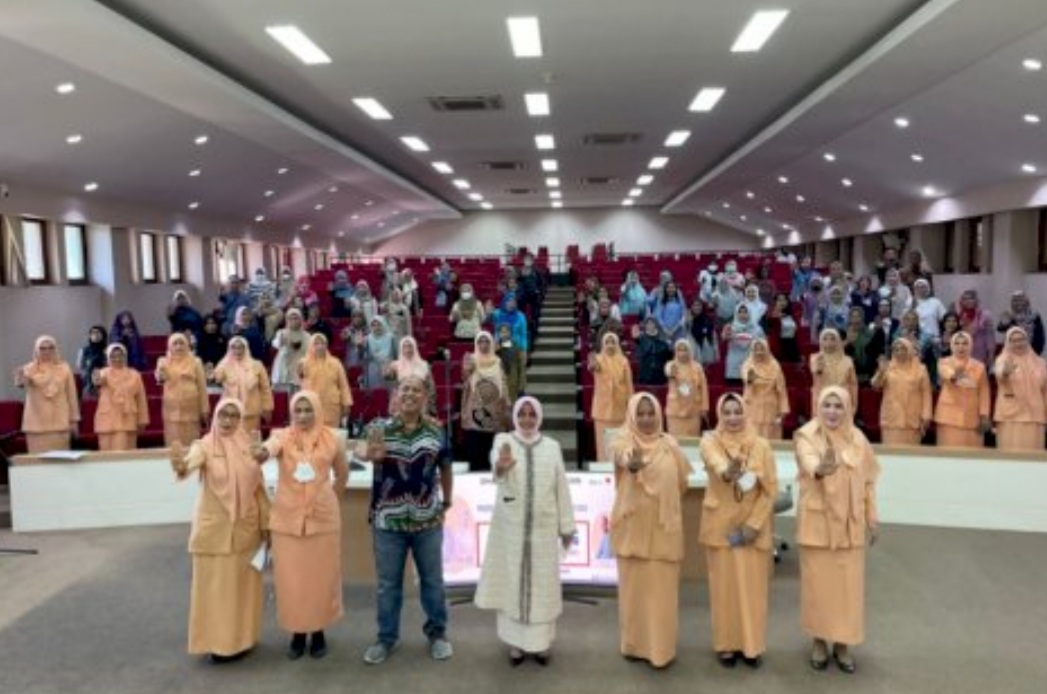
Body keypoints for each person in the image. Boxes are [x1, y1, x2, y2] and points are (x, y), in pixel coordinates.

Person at [359, 376, 454, 665]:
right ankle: (386, 638)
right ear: (397, 395)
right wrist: (368, 453)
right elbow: (360, 450)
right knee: (388, 585)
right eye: (405, 389)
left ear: (425, 397)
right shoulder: (379, 428)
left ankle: (437, 634)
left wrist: (447, 502)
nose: (410, 394)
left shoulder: (436, 431)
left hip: (427, 521)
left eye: (416, 390)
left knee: (433, 582)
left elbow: (446, 468)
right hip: (388, 523)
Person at [475, 397, 576, 666]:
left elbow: (561, 487)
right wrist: (501, 465)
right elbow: (496, 466)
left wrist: (566, 526)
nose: (527, 419)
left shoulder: (552, 447)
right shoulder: (503, 440)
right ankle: (516, 645)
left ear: (539, 417)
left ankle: (541, 645)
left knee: (542, 585)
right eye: (522, 414)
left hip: (543, 529)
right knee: (512, 583)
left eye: (532, 414)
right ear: (515, 417)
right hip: (511, 529)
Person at [170, 398, 269, 664]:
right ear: (215, 416)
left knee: (243, 589)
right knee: (215, 591)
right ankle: (217, 644)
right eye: (223, 415)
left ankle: (243, 640)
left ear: (241, 419)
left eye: (234, 416)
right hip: (214, 532)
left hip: (246, 530)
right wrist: (181, 466)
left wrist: (266, 525)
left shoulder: (249, 445)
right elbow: (190, 463)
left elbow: (258, 488)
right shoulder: (204, 446)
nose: (227, 420)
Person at [251, 390, 348, 660]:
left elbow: (342, 474)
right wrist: (261, 452)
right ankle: (297, 633)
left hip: (322, 521)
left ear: (318, 411)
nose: (303, 416)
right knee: (292, 581)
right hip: (288, 522)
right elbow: (269, 448)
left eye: (308, 410)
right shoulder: (282, 436)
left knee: (320, 580)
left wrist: (328, 499)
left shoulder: (333, 438)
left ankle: (318, 632)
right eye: (298, 410)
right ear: (291, 412)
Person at [794, 387, 880, 674]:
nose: (832, 411)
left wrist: (872, 518)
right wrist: (821, 468)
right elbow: (809, 462)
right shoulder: (806, 435)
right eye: (827, 405)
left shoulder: (859, 439)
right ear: (818, 407)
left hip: (849, 526)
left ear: (848, 409)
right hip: (817, 527)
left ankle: (843, 644)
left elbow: (868, 482)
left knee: (847, 590)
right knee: (818, 588)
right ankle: (819, 641)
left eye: (838, 406)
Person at [609, 393, 690, 668]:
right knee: (634, 595)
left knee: (662, 596)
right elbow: (620, 455)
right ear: (632, 416)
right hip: (632, 531)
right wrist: (630, 463)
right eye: (640, 414)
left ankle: (660, 651)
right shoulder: (623, 441)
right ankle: (633, 646)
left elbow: (682, 483)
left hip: (664, 532)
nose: (646, 419)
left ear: (659, 414)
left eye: (650, 413)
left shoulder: (670, 444)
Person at [698, 393, 777, 668]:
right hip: (721, 526)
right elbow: (715, 463)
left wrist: (754, 525)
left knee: (753, 591)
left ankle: (751, 646)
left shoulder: (762, 446)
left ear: (746, 412)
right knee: (724, 591)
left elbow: (770, 490)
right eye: (727, 412)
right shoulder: (710, 441)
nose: (733, 417)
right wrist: (728, 471)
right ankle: (726, 645)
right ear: (720, 414)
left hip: (753, 529)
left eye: (737, 411)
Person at [14, 336, 79, 453]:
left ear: (55, 349)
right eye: (42, 348)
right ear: (36, 350)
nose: (47, 351)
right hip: (35, 425)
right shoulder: (29, 368)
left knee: (60, 460)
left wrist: (74, 420)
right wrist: (20, 377)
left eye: (50, 348)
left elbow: (72, 396)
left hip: (60, 423)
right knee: (37, 461)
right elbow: (21, 383)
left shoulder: (64, 368)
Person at [461, 331, 510, 471]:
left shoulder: (498, 361)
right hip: (476, 410)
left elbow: (503, 383)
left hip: (495, 410)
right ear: (476, 344)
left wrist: (507, 404)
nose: (484, 344)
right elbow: (465, 380)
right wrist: (467, 368)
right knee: (476, 452)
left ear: (492, 343)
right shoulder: (470, 359)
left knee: (492, 452)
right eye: (480, 341)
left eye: (487, 341)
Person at [992, 327, 1047, 451]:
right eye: (1013, 340)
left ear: (1027, 340)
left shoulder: (1040, 362)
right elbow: (999, 373)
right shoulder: (1003, 359)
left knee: (1033, 454)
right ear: (1008, 342)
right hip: (1010, 416)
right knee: (1010, 454)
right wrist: (1005, 372)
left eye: (1021, 339)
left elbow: (1045, 390)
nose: (1018, 343)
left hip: (1035, 415)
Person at [870, 337, 932, 446]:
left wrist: (926, 415)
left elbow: (926, 393)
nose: (899, 352)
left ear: (910, 350)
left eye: (903, 349)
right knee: (891, 453)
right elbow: (875, 386)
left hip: (913, 419)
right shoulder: (887, 367)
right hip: (892, 418)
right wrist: (880, 371)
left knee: (911, 453)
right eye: (896, 349)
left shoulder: (921, 369)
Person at [935, 331, 991, 448]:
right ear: (952, 345)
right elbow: (947, 374)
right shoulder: (944, 362)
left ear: (970, 345)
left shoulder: (979, 366)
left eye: (965, 343)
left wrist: (984, 415)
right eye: (957, 343)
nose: (961, 347)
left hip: (973, 417)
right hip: (949, 417)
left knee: (971, 455)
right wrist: (954, 375)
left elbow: (984, 392)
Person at [155, 333, 209, 447]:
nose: (179, 347)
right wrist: (160, 374)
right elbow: (159, 378)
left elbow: (202, 387)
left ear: (187, 345)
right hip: (172, 408)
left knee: (191, 442)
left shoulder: (196, 361)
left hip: (191, 408)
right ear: (169, 346)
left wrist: (204, 408)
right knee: (173, 442)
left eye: (181, 343)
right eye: (175, 344)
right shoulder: (163, 361)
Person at [212, 337, 273, 434]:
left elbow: (265, 389)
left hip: (251, 413)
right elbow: (216, 378)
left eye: (240, 347)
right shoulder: (225, 365)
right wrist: (224, 362)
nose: (237, 351)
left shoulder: (257, 365)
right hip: (230, 412)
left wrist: (267, 407)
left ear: (246, 348)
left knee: (250, 439)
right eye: (234, 348)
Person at [93, 343, 148, 451]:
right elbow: (98, 382)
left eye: (120, 356)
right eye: (113, 356)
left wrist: (142, 420)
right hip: (106, 422)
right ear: (108, 358)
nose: (117, 359)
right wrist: (97, 379)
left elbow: (141, 400)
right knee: (106, 456)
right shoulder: (104, 373)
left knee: (126, 456)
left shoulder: (135, 375)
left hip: (127, 421)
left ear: (125, 356)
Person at [589, 332, 634, 462]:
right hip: (602, 410)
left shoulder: (624, 361)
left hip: (621, 409)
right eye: (607, 342)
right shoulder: (598, 359)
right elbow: (593, 367)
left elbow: (629, 385)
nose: (610, 345)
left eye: (613, 342)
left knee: (619, 446)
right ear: (603, 344)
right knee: (603, 446)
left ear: (617, 344)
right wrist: (592, 363)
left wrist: (631, 405)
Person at [298, 334, 353, 428]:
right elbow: (300, 382)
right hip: (311, 406)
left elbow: (343, 385)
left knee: (330, 434)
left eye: (322, 343)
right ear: (311, 346)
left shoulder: (335, 363)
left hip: (331, 407)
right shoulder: (303, 363)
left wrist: (346, 404)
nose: (320, 346)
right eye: (316, 344)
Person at [742, 338, 789, 440]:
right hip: (752, 406)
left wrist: (783, 410)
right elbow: (748, 381)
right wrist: (752, 370)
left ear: (767, 349)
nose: (759, 352)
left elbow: (781, 390)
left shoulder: (775, 366)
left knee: (771, 438)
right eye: (756, 350)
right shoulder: (748, 365)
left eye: (762, 349)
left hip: (771, 408)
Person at [664, 339, 709, 437]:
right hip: (675, 410)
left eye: (685, 350)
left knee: (691, 441)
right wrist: (672, 372)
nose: (682, 353)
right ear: (675, 351)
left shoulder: (697, 367)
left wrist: (704, 407)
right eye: (679, 350)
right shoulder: (671, 365)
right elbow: (669, 371)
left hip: (693, 410)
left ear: (690, 351)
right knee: (675, 441)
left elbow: (704, 388)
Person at [810, 329, 858, 414]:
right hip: (823, 400)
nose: (829, 342)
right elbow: (816, 371)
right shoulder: (815, 358)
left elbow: (853, 384)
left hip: (843, 399)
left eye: (832, 339)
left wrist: (854, 404)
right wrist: (819, 364)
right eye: (825, 339)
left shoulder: (848, 361)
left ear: (838, 341)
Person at [387, 336, 435, 415]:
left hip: (420, 402)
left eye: (410, 346)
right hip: (402, 402)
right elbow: (388, 379)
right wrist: (389, 370)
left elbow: (430, 386)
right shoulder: (395, 365)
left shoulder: (424, 365)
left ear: (414, 347)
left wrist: (428, 403)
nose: (407, 349)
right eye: (404, 347)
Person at [270, 308, 310, 389]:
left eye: (296, 318)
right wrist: (281, 341)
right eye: (290, 319)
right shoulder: (281, 333)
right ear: (287, 320)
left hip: (300, 367)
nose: (293, 321)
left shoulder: (307, 335)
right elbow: (275, 344)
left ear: (301, 320)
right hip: (284, 367)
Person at [997, 291, 1045, 355]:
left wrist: (1036, 352)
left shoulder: (1034, 316)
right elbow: (1000, 328)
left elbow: (1039, 337)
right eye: (1015, 301)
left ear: (1026, 302)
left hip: (1030, 352)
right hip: (1012, 352)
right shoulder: (1009, 315)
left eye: (1021, 300)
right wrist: (1006, 321)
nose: (1018, 303)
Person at [723, 305, 763, 382]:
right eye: (740, 312)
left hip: (750, 362)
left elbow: (762, 345)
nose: (742, 315)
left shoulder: (757, 329)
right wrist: (728, 335)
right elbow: (724, 339)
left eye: (745, 312)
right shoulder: (730, 327)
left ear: (749, 313)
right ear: (736, 314)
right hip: (734, 363)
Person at [955, 289, 995, 366]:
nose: (968, 301)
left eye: (970, 298)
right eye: (965, 299)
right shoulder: (959, 315)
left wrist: (991, 354)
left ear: (976, 300)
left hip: (981, 354)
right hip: (963, 353)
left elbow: (990, 336)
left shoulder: (985, 315)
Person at [633, 319, 672, 386]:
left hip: (660, 373)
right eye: (648, 323)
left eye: (652, 323)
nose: (649, 325)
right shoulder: (641, 338)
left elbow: (668, 356)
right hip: (645, 373)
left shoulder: (663, 338)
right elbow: (639, 353)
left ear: (656, 325)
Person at [363, 317, 396, 390]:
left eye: (379, 325)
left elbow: (395, 355)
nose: (376, 327)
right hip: (373, 368)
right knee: (376, 392)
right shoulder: (367, 339)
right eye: (373, 325)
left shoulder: (390, 337)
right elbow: (365, 356)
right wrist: (361, 347)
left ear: (383, 324)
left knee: (389, 391)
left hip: (388, 367)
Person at [76, 325, 108, 399]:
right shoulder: (83, 350)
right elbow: (80, 367)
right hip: (88, 385)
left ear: (103, 335)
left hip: (106, 384)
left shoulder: (108, 350)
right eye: (93, 333)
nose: (95, 335)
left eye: (98, 333)